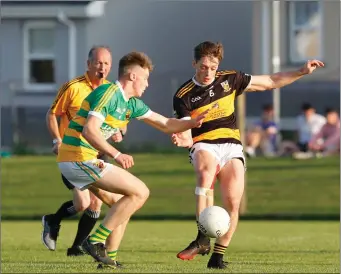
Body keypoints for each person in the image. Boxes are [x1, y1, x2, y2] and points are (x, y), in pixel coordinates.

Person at [172, 41, 324, 269]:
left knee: (233, 202)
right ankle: (202, 239)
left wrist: (301, 71)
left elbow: (271, 81)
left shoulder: (231, 79)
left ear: (218, 65)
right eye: (203, 66)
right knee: (205, 174)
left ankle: (217, 257)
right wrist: (183, 136)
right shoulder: (184, 95)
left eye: (212, 67)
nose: (208, 72)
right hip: (204, 143)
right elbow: (183, 127)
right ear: (194, 63)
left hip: (232, 145)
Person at [56, 51, 209, 268]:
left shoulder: (131, 104)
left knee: (123, 204)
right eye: (145, 79)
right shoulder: (108, 93)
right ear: (133, 77)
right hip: (77, 157)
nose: (147, 84)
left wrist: (192, 122)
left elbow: (166, 124)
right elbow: (90, 131)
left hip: (79, 159)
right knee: (141, 192)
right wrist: (117, 154)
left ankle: (109, 259)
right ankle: (95, 240)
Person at [42, 46, 126, 259]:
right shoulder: (73, 87)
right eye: (98, 62)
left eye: (107, 63)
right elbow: (52, 114)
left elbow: (120, 122)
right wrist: (56, 139)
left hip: (97, 153)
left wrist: (119, 133)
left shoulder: (112, 91)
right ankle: (53, 220)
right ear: (88, 64)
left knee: (96, 203)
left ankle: (76, 248)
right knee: (83, 204)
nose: (103, 67)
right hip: (72, 153)